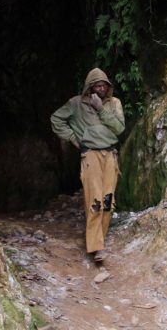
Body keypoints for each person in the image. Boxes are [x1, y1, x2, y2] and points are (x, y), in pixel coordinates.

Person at [50, 68, 125, 263]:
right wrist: (74, 138)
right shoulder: (76, 103)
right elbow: (56, 119)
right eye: (97, 85)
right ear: (89, 87)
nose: (101, 88)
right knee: (95, 201)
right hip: (90, 155)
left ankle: (99, 239)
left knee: (108, 201)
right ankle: (96, 247)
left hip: (111, 155)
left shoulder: (114, 103)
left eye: (104, 85)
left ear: (108, 87)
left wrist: (101, 108)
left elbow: (119, 128)